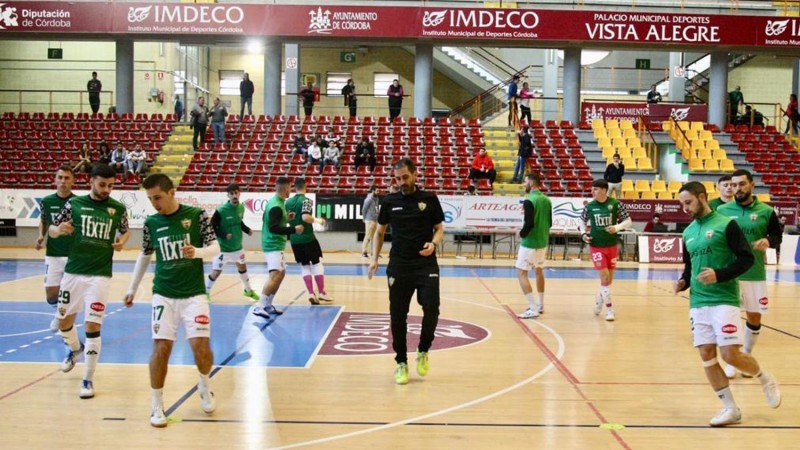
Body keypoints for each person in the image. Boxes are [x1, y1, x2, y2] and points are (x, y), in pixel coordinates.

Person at [674, 181, 780, 426]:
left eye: (688, 202)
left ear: (702, 197)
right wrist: (682, 281)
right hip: (698, 301)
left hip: (724, 298)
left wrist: (719, 275)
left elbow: (746, 260)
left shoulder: (726, 224)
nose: (685, 208)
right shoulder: (688, 232)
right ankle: (731, 409)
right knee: (706, 355)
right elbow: (689, 268)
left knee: (729, 354)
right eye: (681, 204)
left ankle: (764, 378)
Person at [124, 174, 219, 428]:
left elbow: (215, 248)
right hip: (163, 295)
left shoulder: (196, 216)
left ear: (171, 192)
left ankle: (204, 385)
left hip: (194, 294)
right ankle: (156, 404)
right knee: (161, 349)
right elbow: (145, 255)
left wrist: (196, 252)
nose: (154, 203)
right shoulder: (151, 223)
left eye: (158, 197)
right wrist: (132, 288)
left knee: (201, 348)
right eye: (150, 199)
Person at [48, 163, 130, 399]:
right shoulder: (74, 204)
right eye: (102, 184)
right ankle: (75, 349)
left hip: (100, 275)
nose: (107, 190)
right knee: (63, 321)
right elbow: (52, 230)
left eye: (111, 185)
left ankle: (88, 379)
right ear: (91, 182)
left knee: (93, 325)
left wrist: (122, 241)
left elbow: (125, 230)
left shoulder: (117, 208)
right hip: (74, 272)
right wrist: (58, 230)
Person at [367, 157, 444, 385]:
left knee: (432, 308)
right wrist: (374, 259)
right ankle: (401, 362)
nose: (401, 182)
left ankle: (423, 349)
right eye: (398, 178)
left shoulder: (429, 199)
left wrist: (434, 243)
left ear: (414, 175)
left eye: (405, 177)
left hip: (425, 264)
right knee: (397, 316)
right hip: (399, 265)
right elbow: (379, 233)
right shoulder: (389, 201)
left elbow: (439, 229)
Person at [718, 170, 783, 379]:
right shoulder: (722, 210)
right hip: (730, 273)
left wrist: (769, 242)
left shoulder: (766, 211)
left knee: (754, 317)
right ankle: (732, 360)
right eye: (734, 185)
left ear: (752, 186)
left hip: (755, 273)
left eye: (741, 184)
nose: (737, 188)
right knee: (731, 316)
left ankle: (746, 355)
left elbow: (777, 235)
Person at [580, 179, 632, 321]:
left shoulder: (615, 204)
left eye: (595, 189)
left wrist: (616, 228)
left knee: (608, 280)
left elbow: (628, 221)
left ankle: (599, 301)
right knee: (604, 276)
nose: (592, 191)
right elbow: (581, 221)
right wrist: (583, 234)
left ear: (603, 190)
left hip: (611, 246)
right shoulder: (589, 206)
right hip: (596, 246)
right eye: (592, 189)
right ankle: (610, 310)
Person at [254, 177, 304, 319]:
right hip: (272, 244)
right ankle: (260, 306)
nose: (291, 190)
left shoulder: (278, 203)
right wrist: (294, 229)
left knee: (280, 273)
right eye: (290, 187)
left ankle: (268, 304)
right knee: (275, 275)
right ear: (285, 187)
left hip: (276, 244)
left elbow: (272, 220)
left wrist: (286, 218)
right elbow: (273, 227)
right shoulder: (276, 205)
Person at [36, 164, 76, 332]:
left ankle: (62, 321)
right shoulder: (47, 201)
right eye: (60, 177)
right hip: (52, 253)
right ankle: (58, 314)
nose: (63, 181)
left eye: (67, 178)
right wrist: (40, 236)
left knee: (68, 293)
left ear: (73, 181)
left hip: (72, 254)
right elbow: (44, 221)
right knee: (51, 295)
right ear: (55, 180)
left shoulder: (78, 203)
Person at [204, 183, 260, 302]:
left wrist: (247, 230)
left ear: (239, 193)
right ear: (228, 195)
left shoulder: (241, 207)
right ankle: (206, 292)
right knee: (216, 272)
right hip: (223, 249)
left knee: (242, 268)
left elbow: (239, 222)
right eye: (232, 193)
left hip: (237, 247)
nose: (234, 195)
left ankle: (248, 290)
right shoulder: (221, 211)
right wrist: (223, 235)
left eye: (236, 193)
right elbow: (212, 227)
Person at [286, 178, 334, 305]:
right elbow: (305, 217)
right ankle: (322, 292)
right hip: (307, 238)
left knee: (304, 265)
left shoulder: (288, 202)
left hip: (294, 240)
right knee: (317, 263)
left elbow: (285, 218)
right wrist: (319, 220)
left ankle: (311, 293)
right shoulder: (306, 200)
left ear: (294, 187)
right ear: (305, 186)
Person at [515, 173, 552, 319]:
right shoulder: (546, 200)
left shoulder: (529, 200)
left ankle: (532, 308)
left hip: (530, 243)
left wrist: (521, 233)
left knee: (521, 272)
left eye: (526, 181)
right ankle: (540, 305)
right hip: (542, 241)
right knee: (538, 271)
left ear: (531, 182)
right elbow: (550, 223)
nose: (525, 184)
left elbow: (529, 223)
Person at [361, 185, 379, 258]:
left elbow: (376, 208)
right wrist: (364, 218)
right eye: (377, 191)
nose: (378, 192)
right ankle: (364, 252)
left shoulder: (377, 199)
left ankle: (373, 253)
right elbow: (364, 209)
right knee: (368, 236)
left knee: (374, 237)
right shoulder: (368, 199)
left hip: (375, 220)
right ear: (373, 191)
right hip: (369, 220)